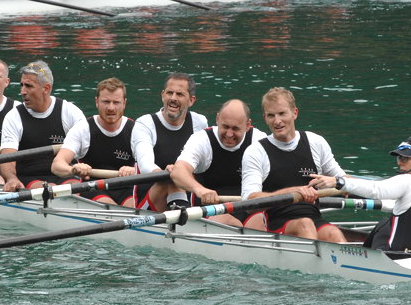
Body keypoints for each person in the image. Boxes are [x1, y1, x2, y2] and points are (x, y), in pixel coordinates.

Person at [310, 134, 411, 258]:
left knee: (384, 225)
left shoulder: (409, 181)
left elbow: (376, 190)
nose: (400, 163)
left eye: (405, 158)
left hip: (396, 260)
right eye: (399, 158)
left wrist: (338, 181)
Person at [240, 87, 347, 243]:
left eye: (282, 113)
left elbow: (344, 179)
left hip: (314, 219)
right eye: (271, 115)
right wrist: (294, 191)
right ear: (265, 118)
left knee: (334, 233)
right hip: (278, 225)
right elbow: (249, 201)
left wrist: (343, 183)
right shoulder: (256, 152)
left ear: (294, 113)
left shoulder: (315, 142)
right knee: (305, 225)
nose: (277, 121)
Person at [170, 99, 266, 227]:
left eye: (235, 129)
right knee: (231, 223)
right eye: (225, 126)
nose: (229, 134)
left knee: (261, 223)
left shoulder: (258, 141)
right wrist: (200, 190)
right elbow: (178, 171)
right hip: (210, 209)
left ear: (248, 125)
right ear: (217, 119)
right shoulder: (202, 140)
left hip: (249, 210)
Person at [52, 77, 141, 206]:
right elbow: (57, 165)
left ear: (124, 103)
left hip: (127, 188)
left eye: (116, 102)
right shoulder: (83, 129)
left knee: (134, 206)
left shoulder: (136, 130)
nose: (111, 108)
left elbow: (152, 167)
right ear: (97, 102)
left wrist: (136, 169)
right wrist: (74, 169)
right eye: (106, 102)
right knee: (110, 206)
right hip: (93, 188)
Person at [0, 60, 86, 191]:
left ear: (46, 88)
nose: (22, 91)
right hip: (31, 177)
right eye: (21, 85)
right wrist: (11, 179)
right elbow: (7, 158)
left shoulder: (70, 112)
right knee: (50, 188)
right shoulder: (14, 116)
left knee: (74, 187)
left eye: (28, 86)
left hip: (65, 174)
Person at [131, 72, 208, 211]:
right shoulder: (145, 124)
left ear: (191, 100)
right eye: (169, 93)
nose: (173, 98)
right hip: (149, 201)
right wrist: (172, 174)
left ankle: (185, 215)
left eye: (179, 94)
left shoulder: (199, 122)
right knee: (175, 180)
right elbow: (145, 165)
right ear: (162, 95)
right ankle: (184, 223)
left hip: (189, 195)